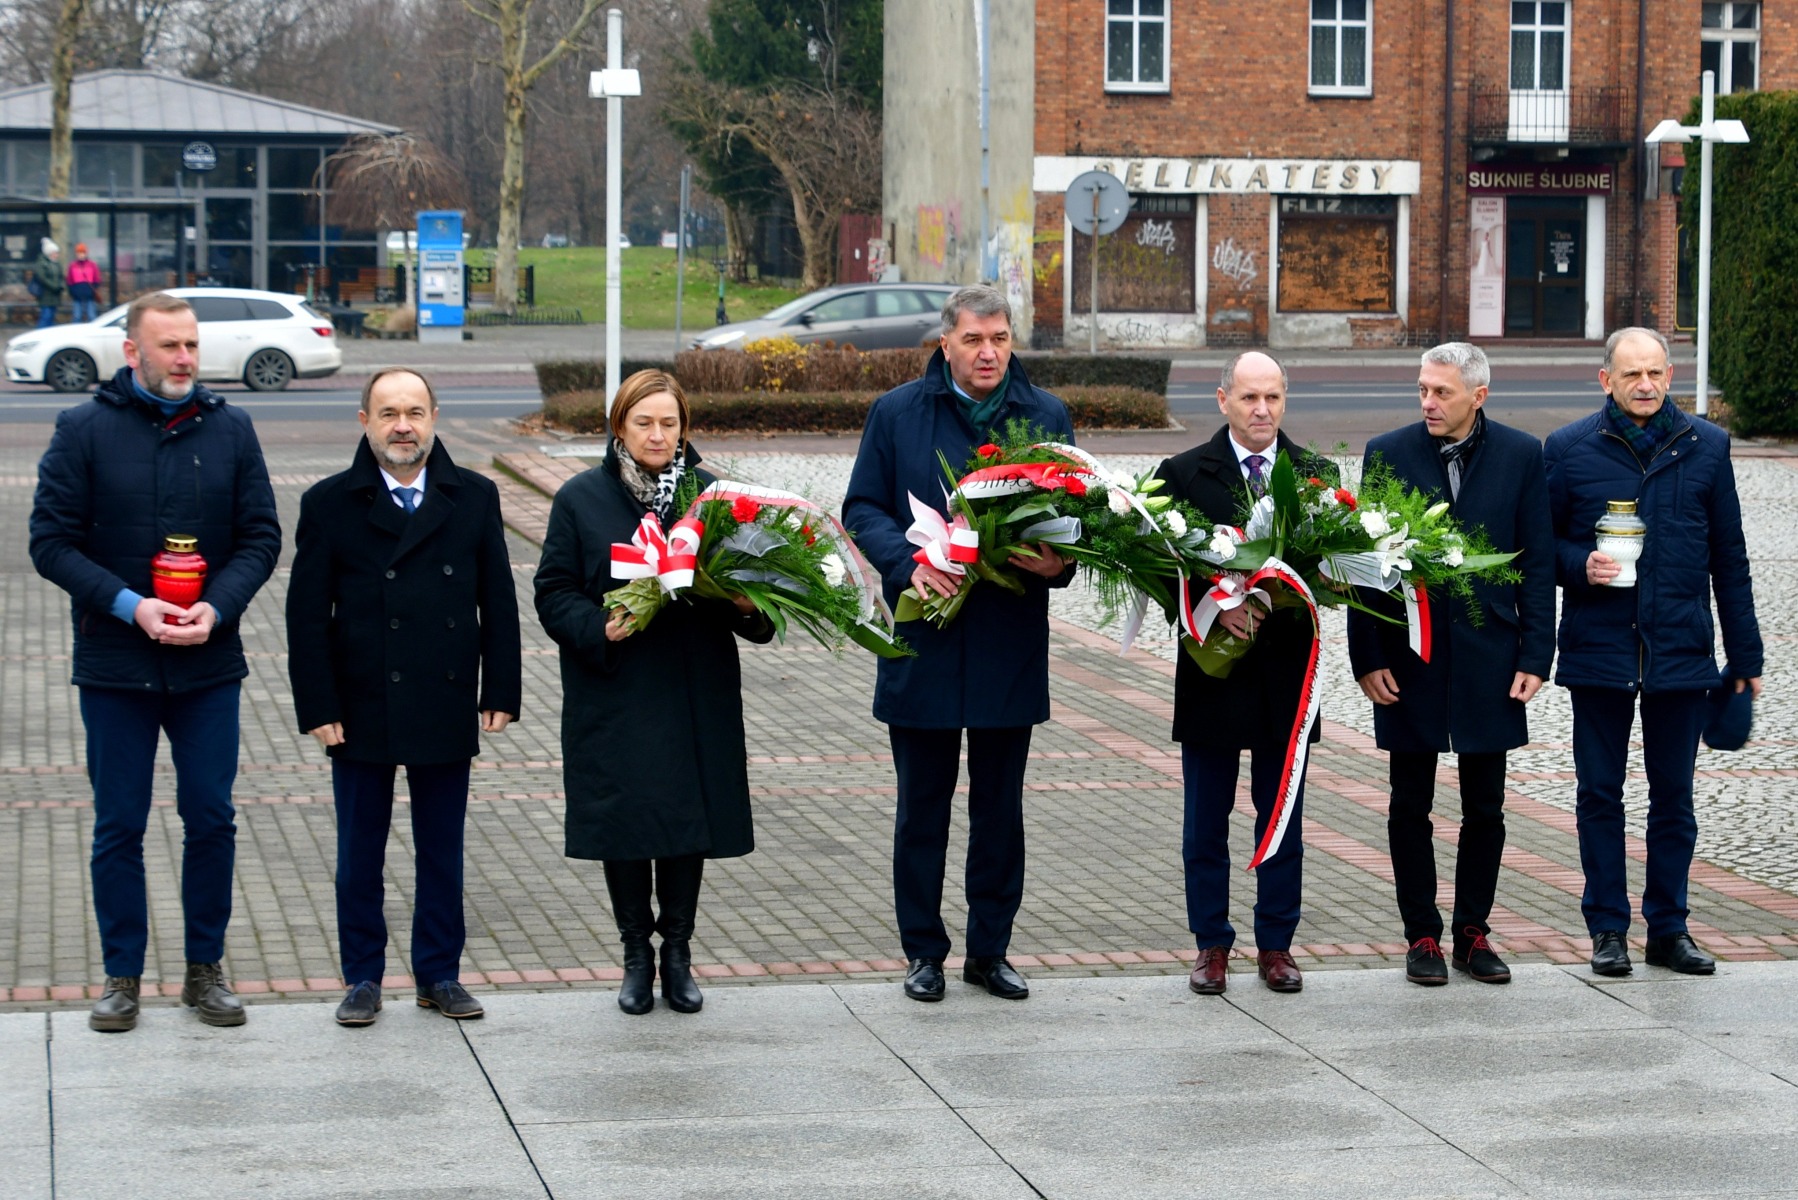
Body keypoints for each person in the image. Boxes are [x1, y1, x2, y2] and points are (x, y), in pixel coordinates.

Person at [28, 291, 281, 1032]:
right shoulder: (82, 430)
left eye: (192, 346)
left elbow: (261, 538)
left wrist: (218, 607)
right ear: (131, 351)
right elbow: (50, 543)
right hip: (116, 665)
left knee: (211, 817)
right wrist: (129, 604)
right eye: (169, 346)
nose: (185, 359)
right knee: (119, 824)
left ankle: (205, 972)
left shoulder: (232, 430)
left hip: (208, 666)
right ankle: (122, 977)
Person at [842, 284, 1074, 1004]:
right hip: (925, 639)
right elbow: (862, 506)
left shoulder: (1045, 415)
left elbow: (1077, 515)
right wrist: (907, 562)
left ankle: (990, 951)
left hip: (1006, 641)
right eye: (974, 340)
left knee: (1000, 811)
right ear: (945, 344)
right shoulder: (897, 414)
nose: (988, 352)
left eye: (1000, 338)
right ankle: (924, 953)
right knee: (922, 810)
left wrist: (1059, 562)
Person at [286, 367, 522, 1027]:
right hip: (360, 702)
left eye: (415, 411)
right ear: (364, 421)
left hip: (443, 695)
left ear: (435, 417)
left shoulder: (474, 496)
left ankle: (439, 974)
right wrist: (319, 705)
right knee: (360, 850)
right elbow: (307, 617)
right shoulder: (329, 502)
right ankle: (362, 976)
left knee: (440, 848)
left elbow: (496, 598)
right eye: (388, 412)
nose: (403, 426)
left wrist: (501, 685)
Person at [534, 369, 773, 1015]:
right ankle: (636, 955)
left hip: (695, 690)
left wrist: (750, 606)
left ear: (684, 429)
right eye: (644, 422)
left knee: (687, 825)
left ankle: (679, 954)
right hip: (618, 691)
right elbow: (552, 590)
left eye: (669, 423)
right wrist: (595, 626)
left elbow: (760, 595)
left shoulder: (716, 498)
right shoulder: (582, 499)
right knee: (628, 825)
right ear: (619, 427)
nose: (658, 434)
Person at [1545, 327, 1763, 978]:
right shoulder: (1570, 450)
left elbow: (1731, 558)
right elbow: (1542, 548)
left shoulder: (1708, 448)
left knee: (1674, 798)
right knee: (1599, 795)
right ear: (1605, 380)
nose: (1645, 385)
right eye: (1631, 374)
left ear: (1670, 376)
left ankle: (1669, 929)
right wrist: (1579, 562)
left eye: (1656, 373)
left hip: (1680, 650)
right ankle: (1608, 929)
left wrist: (1746, 658)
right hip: (1600, 648)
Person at [1348, 343, 1555, 987]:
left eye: (1442, 392)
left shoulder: (1522, 455)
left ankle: (1472, 930)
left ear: (1478, 396)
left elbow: (1538, 562)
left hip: (1490, 656)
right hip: (1409, 659)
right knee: (1408, 803)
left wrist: (1535, 653)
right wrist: (1367, 656)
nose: (1429, 403)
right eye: (1422, 390)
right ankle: (1421, 936)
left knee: (1485, 806)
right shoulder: (1389, 452)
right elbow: (1364, 563)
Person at [1153, 351, 1330, 996]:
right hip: (1212, 673)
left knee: (1281, 818)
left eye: (1274, 399)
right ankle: (1211, 944)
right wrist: (1210, 606)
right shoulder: (1180, 474)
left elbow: (1325, 569)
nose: (1262, 411)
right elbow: (1153, 566)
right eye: (1250, 398)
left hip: (1285, 674)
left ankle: (1277, 944)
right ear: (1222, 398)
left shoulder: (1314, 475)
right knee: (1205, 819)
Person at [66, 243, 102, 323]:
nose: (81, 255)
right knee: (77, 316)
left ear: (86, 253)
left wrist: (93, 291)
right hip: (77, 295)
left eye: (83, 253)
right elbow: (69, 280)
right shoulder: (72, 265)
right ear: (76, 254)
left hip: (89, 294)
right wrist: (73, 292)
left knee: (91, 316)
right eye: (79, 253)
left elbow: (97, 279)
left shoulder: (92, 265)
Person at [33, 238, 64, 327]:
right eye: (55, 253)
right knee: (46, 316)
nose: (57, 255)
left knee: (51, 316)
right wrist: (54, 285)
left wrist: (60, 285)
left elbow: (60, 276)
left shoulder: (56, 264)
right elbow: (42, 277)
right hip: (45, 295)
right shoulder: (42, 263)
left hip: (54, 295)